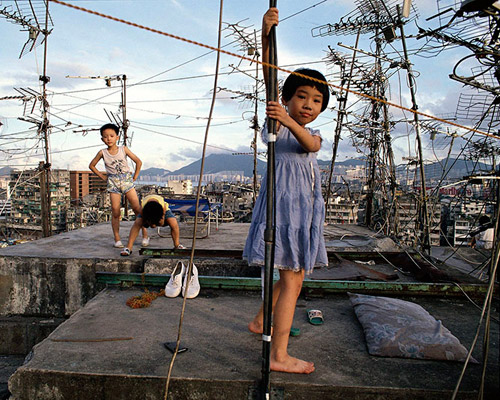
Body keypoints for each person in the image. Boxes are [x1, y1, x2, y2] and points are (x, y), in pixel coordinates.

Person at [243, 7, 329, 375]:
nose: (308, 105)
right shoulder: (277, 118)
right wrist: (265, 35)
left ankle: (262, 320)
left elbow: (310, 145)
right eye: (302, 96)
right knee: (291, 278)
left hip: (302, 209)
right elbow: (269, 74)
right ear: (287, 97)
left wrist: (289, 119)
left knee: (292, 274)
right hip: (284, 209)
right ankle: (278, 355)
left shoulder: (303, 130)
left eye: (316, 100)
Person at [89, 123, 148, 248]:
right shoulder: (102, 152)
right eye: (105, 137)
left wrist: (135, 176)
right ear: (102, 139)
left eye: (111, 136)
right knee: (115, 211)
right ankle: (117, 238)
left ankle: (145, 234)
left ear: (117, 137)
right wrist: (103, 177)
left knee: (137, 209)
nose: (108, 139)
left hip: (126, 181)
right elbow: (92, 165)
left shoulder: (123, 149)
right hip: (113, 183)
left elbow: (138, 161)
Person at [120, 194, 185, 256]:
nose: (153, 226)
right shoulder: (143, 210)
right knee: (137, 223)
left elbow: (162, 223)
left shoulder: (163, 209)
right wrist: (148, 222)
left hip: (161, 210)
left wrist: (162, 218)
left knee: (174, 223)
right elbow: (140, 224)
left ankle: (177, 245)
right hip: (147, 210)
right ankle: (129, 247)